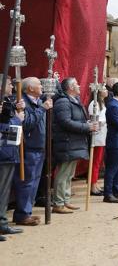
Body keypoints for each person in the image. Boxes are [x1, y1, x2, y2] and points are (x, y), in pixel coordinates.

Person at [52, 77, 98, 213]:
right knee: (63, 174)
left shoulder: (75, 101)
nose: (79, 86)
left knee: (69, 174)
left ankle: (65, 200)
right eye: (76, 84)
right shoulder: (63, 102)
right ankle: (58, 203)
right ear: (70, 87)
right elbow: (65, 122)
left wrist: (87, 124)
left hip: (74, 142)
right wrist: (86, 127)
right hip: (66, 142)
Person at [12, 77, 52, 226]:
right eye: (39, 84)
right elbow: (27, 124)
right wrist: (42, 109)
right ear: (30, 89)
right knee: (26, 182)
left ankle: (27, 211)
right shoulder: (22, 102)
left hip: (39, 147)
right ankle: (22, 214)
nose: (42, 87)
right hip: (28, 148)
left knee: (34, 182)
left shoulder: (38, 101)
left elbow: (54, 91)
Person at [0, 75, 25, 240]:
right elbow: (4, 126)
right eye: (9, 84)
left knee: (4, 192)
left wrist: (16, 110)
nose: (12, 86)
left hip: (8, 151)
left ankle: (2, 223)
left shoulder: (7, 102)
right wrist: (17, 118)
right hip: (3, 151)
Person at [88, 86, 108, 196]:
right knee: (95, 162)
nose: (106, 91)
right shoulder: (94, 104)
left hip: (102, 134)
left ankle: (95, 183)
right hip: (97, 135)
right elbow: (94, 119)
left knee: (98, 162)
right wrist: (105, 120)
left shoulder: (102, 103)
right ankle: (92, 185)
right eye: (104, 89)